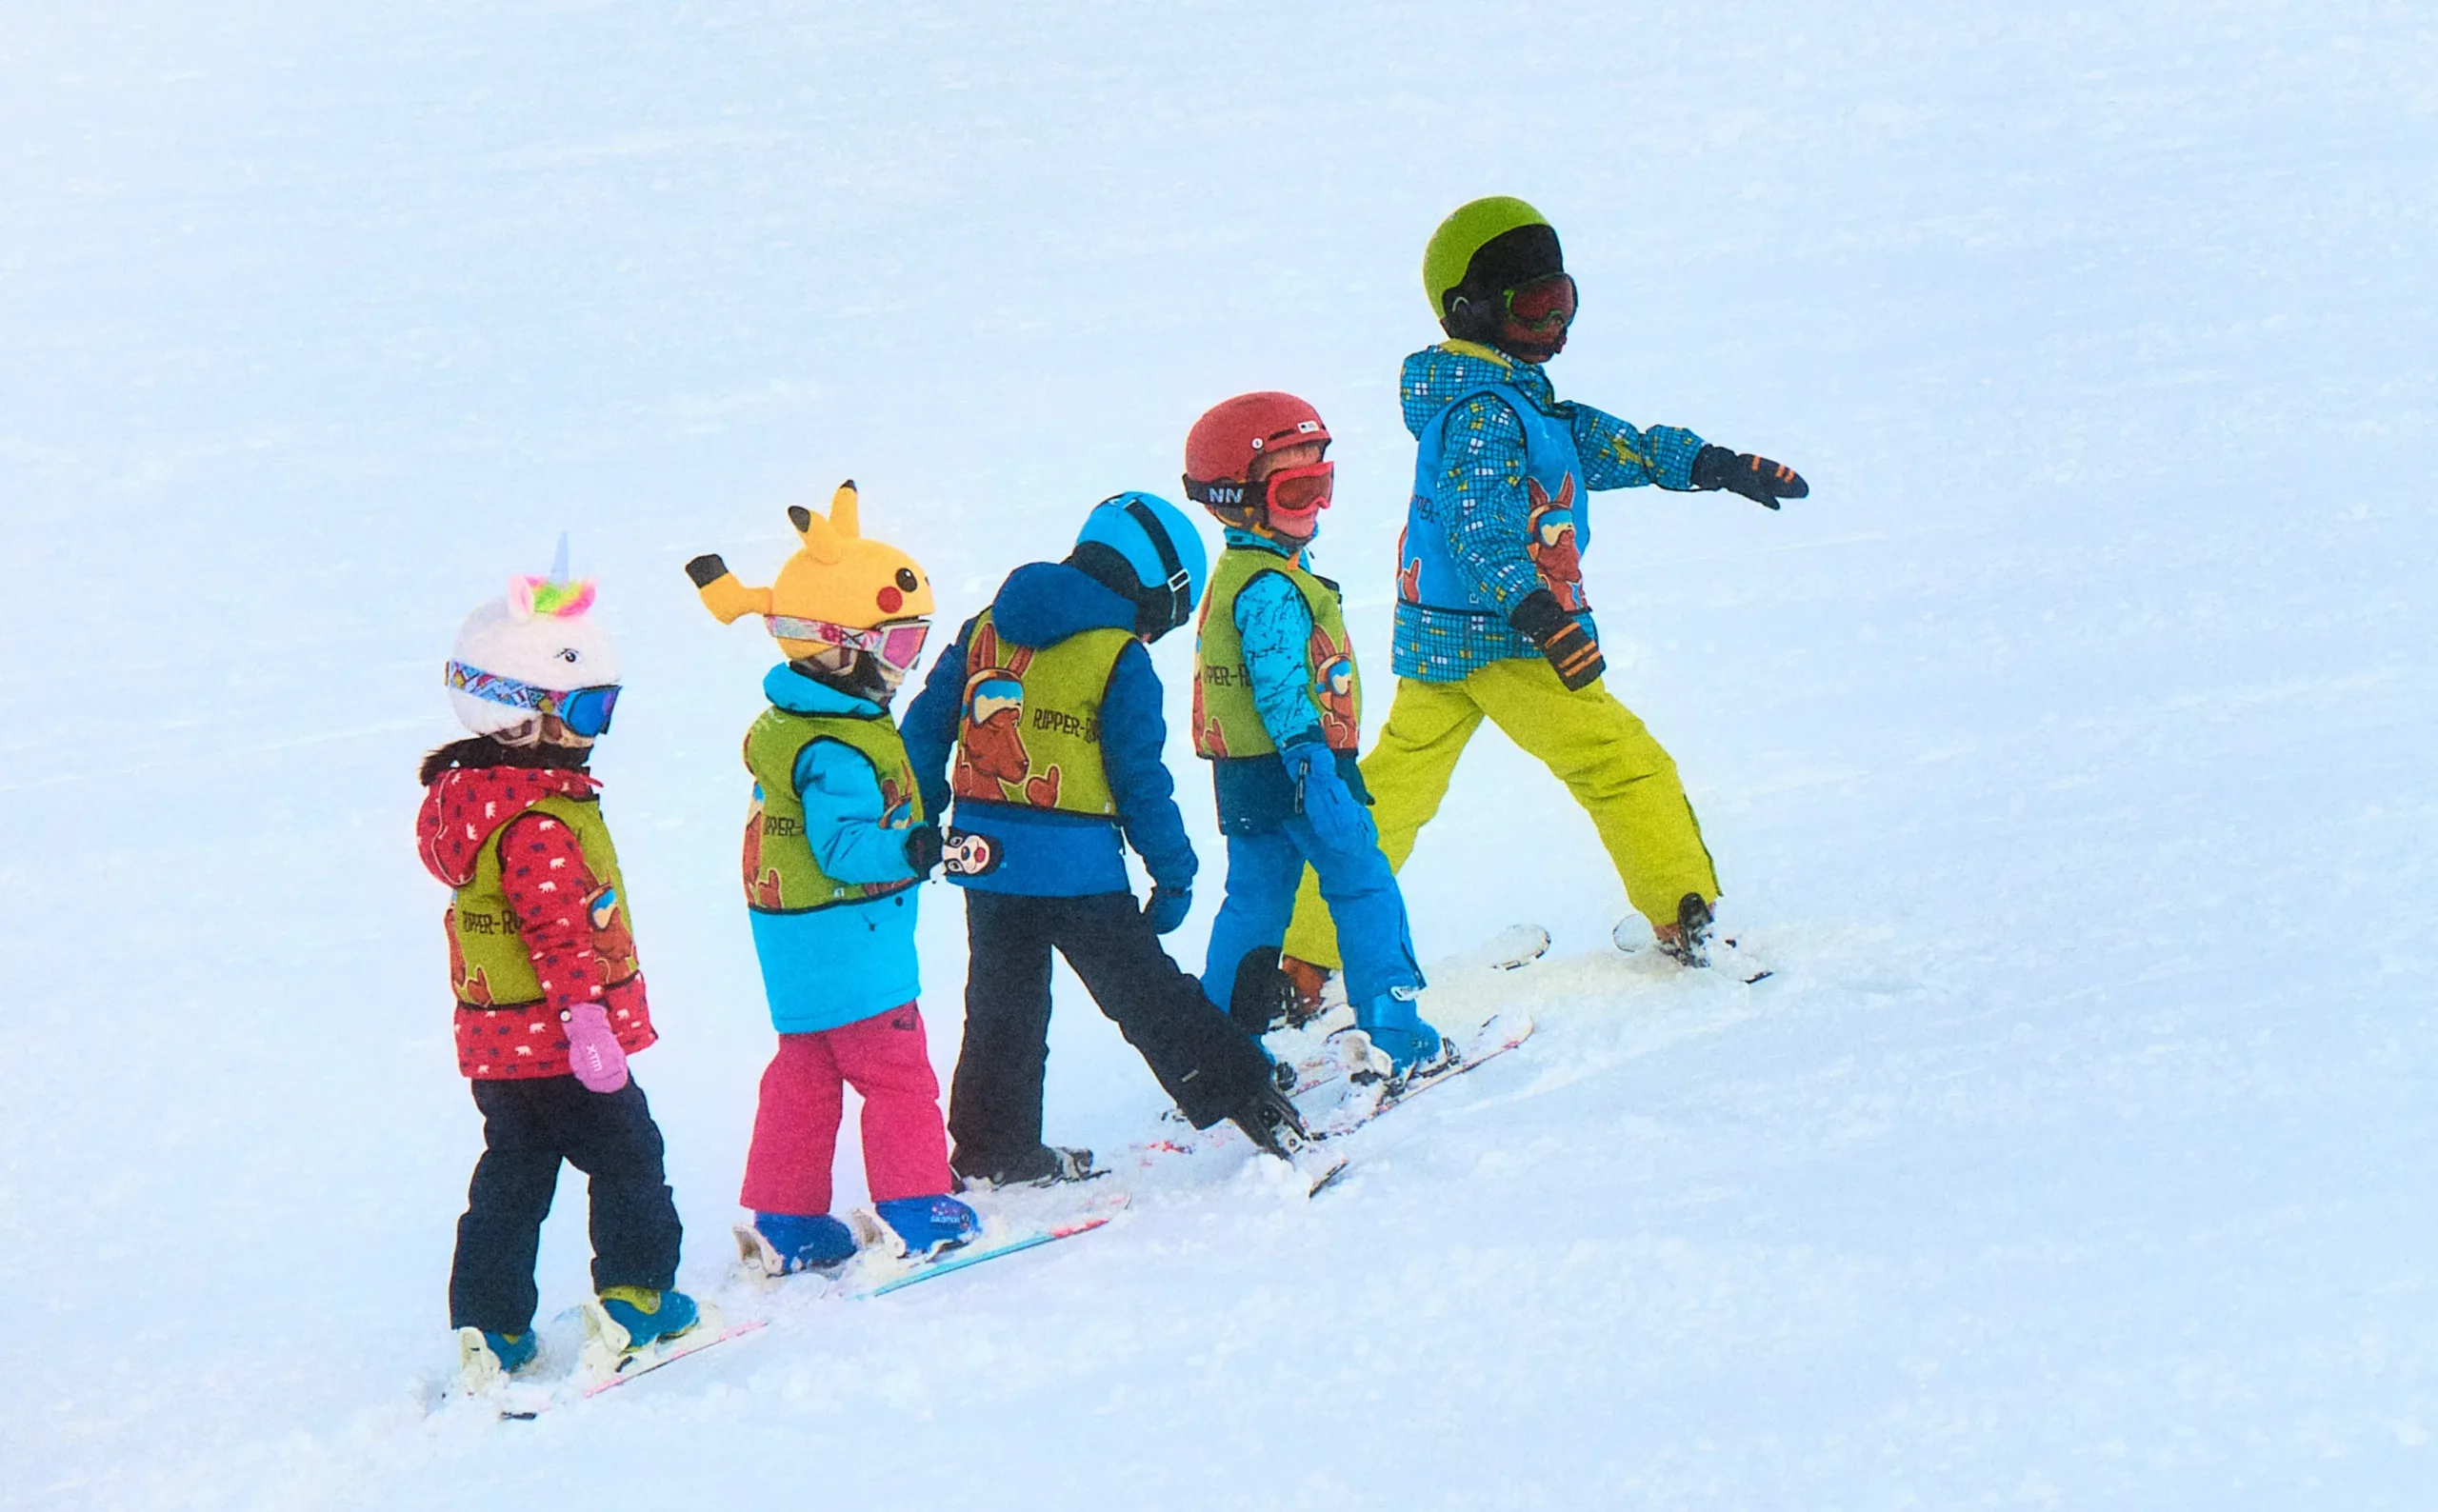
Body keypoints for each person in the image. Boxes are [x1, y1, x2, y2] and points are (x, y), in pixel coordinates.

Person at [1277, 196, 1809, 1006]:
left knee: (1392, 791)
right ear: (1471, 311)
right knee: (1619, 763)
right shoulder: (1487, 412)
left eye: (1565, 300)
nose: (1557, 323)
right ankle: (1686, 914)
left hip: (1442, 633)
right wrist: (1538, 614)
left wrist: (1715, 464)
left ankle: (1305, 956)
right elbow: (1477, 528)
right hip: (1507, 637)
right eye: (1534, 306)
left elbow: (1608, 442)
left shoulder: (1515, 396)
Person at [899, 491, 1309, 1185]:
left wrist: (918, 819)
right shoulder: (1121, 657)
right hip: (1077, 870)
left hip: (985, 862)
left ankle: (996, 1148)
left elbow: (923, 729)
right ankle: (1247, 1094)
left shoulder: (984, 628)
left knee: (1001, 1006)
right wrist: (1173, 873)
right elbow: (1140, 781)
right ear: (1159, 588)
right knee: (1145, 993)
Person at [418, 549, 701, 1386]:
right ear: (519, 716)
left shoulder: (469, 802)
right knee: (629, 1157)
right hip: (563, 1042)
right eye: (585, 707)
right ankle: (639, 1302)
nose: (595, 727)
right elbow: (559, 937)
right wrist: (589, 1028)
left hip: (497, 1047)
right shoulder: (540, 820)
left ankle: (491, 1327)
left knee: (513, 1171)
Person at [685, 482, 978, 1275]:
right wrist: (914, 849)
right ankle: (919, 1208)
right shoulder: (838, 747)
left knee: (805, 1072)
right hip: (853, 937)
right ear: (837, 645)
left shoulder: (794, 725)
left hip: (794, 942)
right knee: (896, 1074)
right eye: (899, 647)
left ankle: (787, 1218)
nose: (905, 668)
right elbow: (845, 848)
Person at [1181, 392, 1444, 1081]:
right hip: (1302, 769)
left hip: (1247, 776)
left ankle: (1221, 1050)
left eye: (1322, 484)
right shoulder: (1268, 588)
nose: (1317, 507)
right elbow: (1277, 683)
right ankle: (1397, 1029)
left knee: (1255, 904)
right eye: (1297, 490)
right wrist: (1312, 765)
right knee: (1363, 886)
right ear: (1235, 498)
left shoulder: (1242, 574)